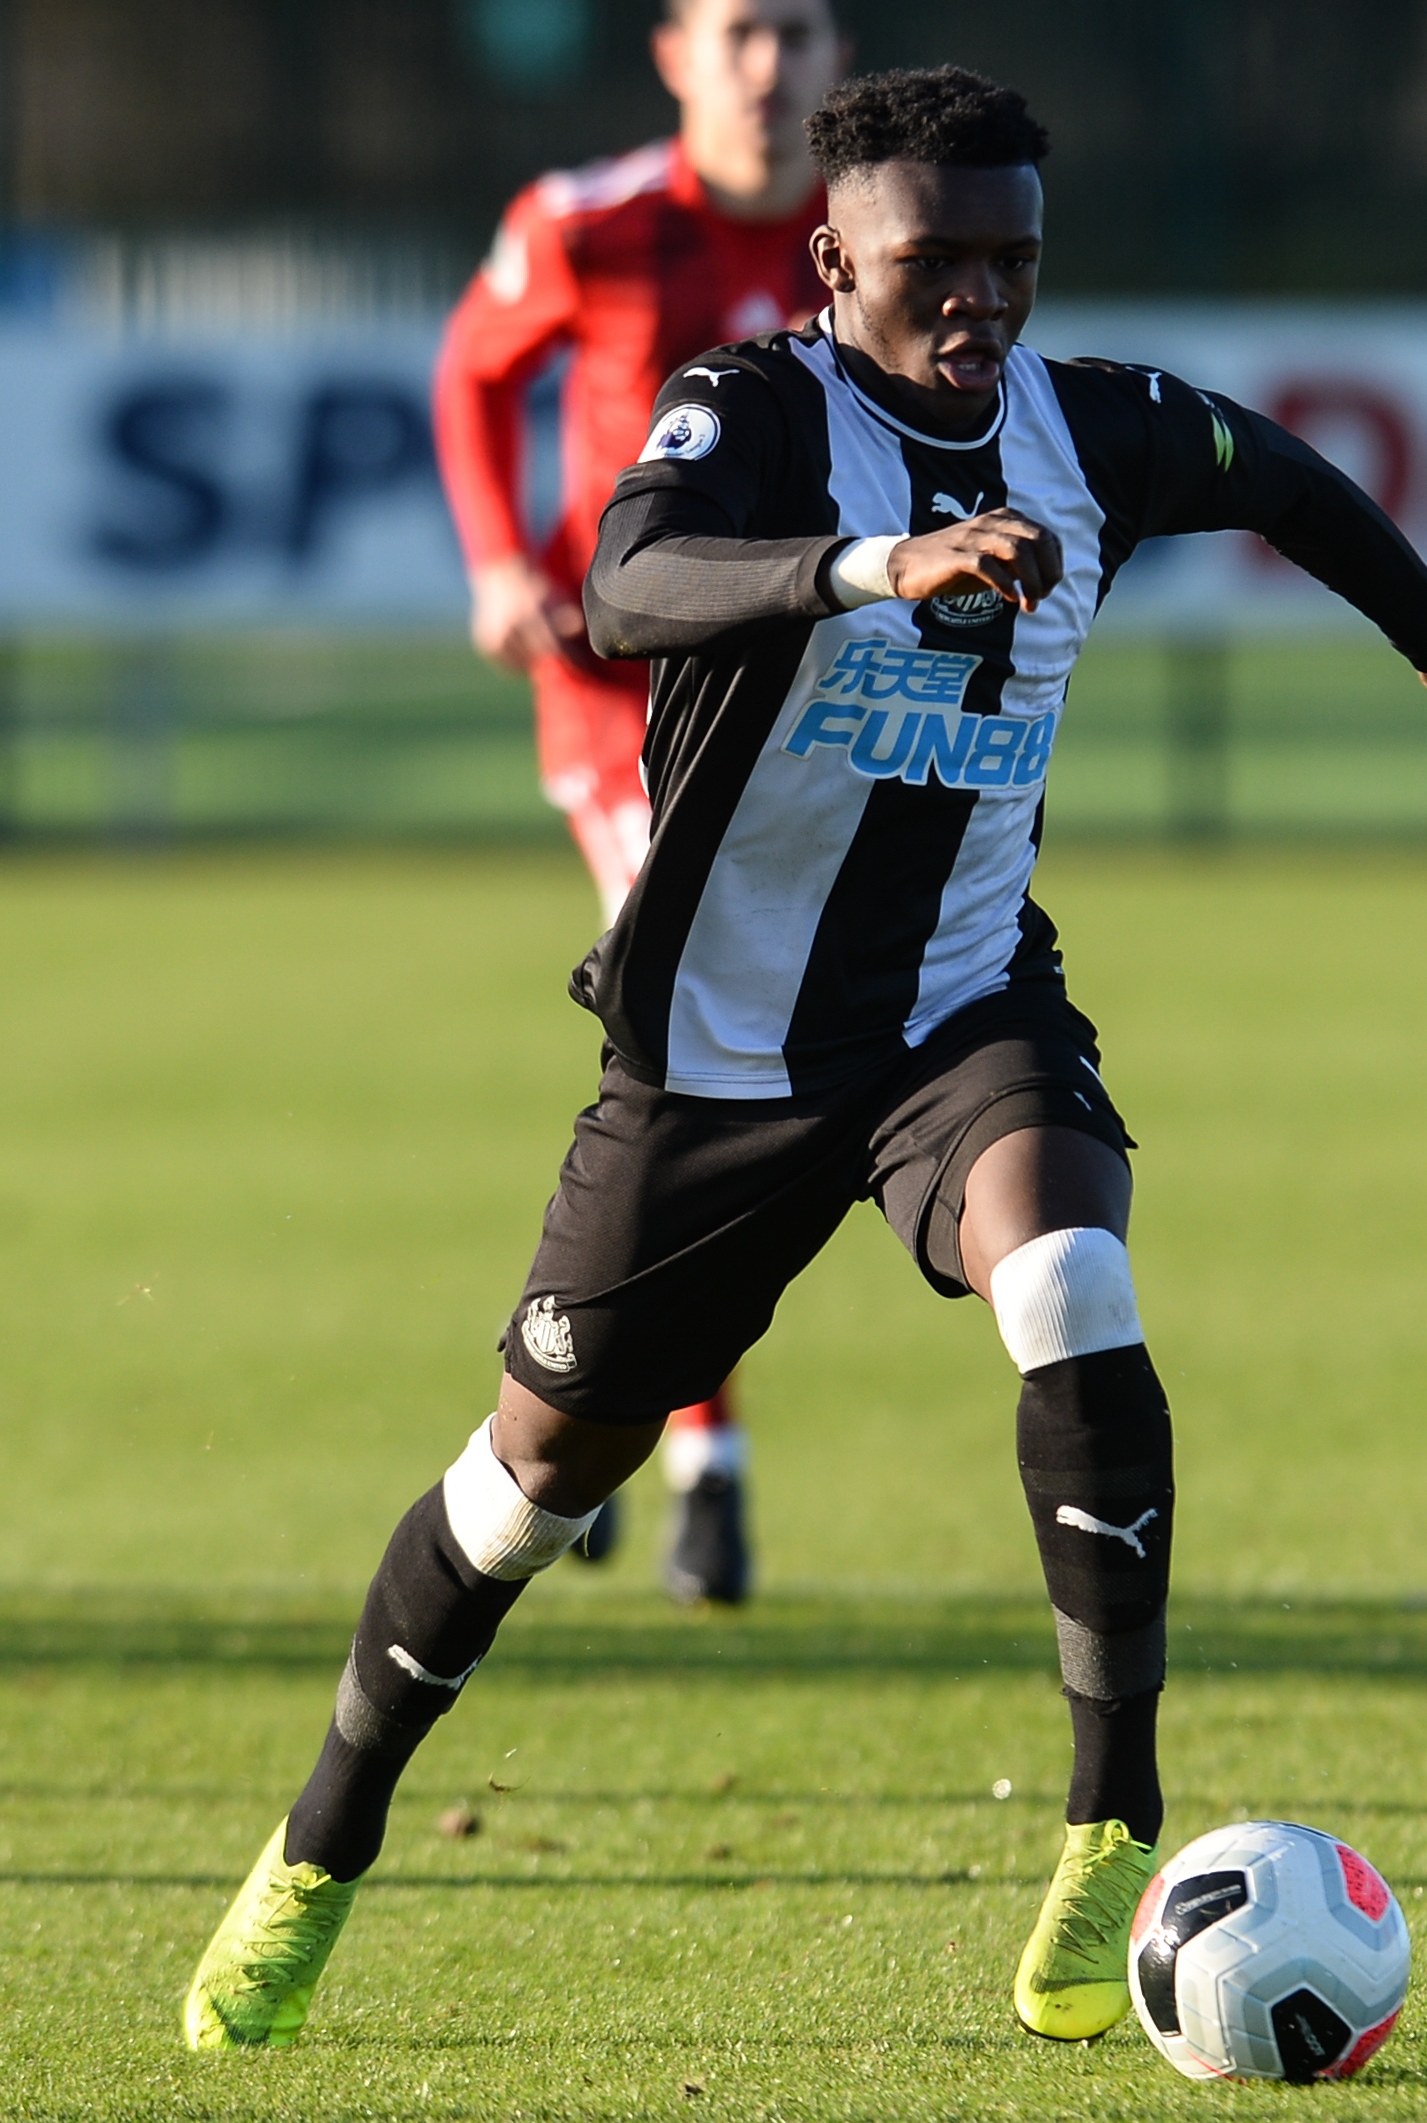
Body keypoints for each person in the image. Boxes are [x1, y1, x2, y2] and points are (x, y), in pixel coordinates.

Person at [181, 66, 1427, 2053]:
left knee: (1075, 1283)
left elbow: (1268, 469)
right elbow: (621, 586)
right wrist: (869, 567)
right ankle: (318, 1846)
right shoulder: (754, 411)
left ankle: (1113, 1828)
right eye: (937, 262)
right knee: (527, 1491)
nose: (981, 299)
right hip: (718, 1069)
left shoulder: (1091, 425)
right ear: (835, 257)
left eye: (1015, 258)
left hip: (962, 1010)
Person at [433, 0, 849, 1608]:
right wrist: (491, 564)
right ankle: (690, 1449)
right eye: (740, 30)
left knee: (744, 1058)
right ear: (674, 54)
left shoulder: (864, 232)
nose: (770, 63)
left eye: (797, 32)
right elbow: (471, 375)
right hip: (623, 712)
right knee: (693, 1037)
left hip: (813, 709)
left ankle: (594, 1384)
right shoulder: (589, 224)